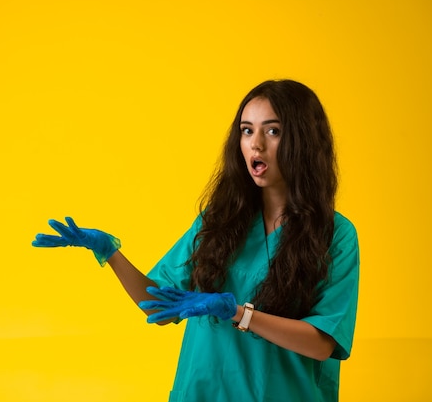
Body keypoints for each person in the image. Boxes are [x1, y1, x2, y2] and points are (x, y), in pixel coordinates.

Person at [32, 79, 360, 402]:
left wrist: (237, 312)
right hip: (203, 392)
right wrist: (111, 253)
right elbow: (160, 304)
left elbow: (321, 343)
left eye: (272, 131)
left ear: (303, 141)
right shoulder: (220, 221)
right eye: (247, 130)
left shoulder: (335, 236)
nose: (256, 144)